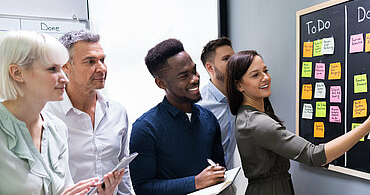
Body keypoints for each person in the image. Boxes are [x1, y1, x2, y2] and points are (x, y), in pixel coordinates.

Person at [226, 50, 370, 195]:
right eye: (255, 75)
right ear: (239, 85)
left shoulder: (246, 115)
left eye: (265, 70)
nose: (266, 78)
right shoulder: (257, 123)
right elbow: (315, 156)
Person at [0, 30, 120, 194]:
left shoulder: (57, 128)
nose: (64, 78)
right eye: (52, 69)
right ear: (17, 73)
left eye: (62, 68)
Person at [129, 38, 226, 195]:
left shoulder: (209, 119)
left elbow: (220, 170)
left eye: (194, 70)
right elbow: (143, 188)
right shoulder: (145, 128)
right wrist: (195, 182)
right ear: (161, 84)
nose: (195, 79)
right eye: (184, 76)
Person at [45, 30, 132, 194]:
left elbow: (122, 170)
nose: (102, 68)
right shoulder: (47, 116)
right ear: (66, 66)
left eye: (102, 60)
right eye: (90, 61)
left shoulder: (117, 112)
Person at [197, 37, 236, 169]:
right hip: (205, 184)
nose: (234, 63)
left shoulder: (242, 96)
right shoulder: (198, 105)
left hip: (229, 180)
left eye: (234, 57)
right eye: (226, 59)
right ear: (210, 68)